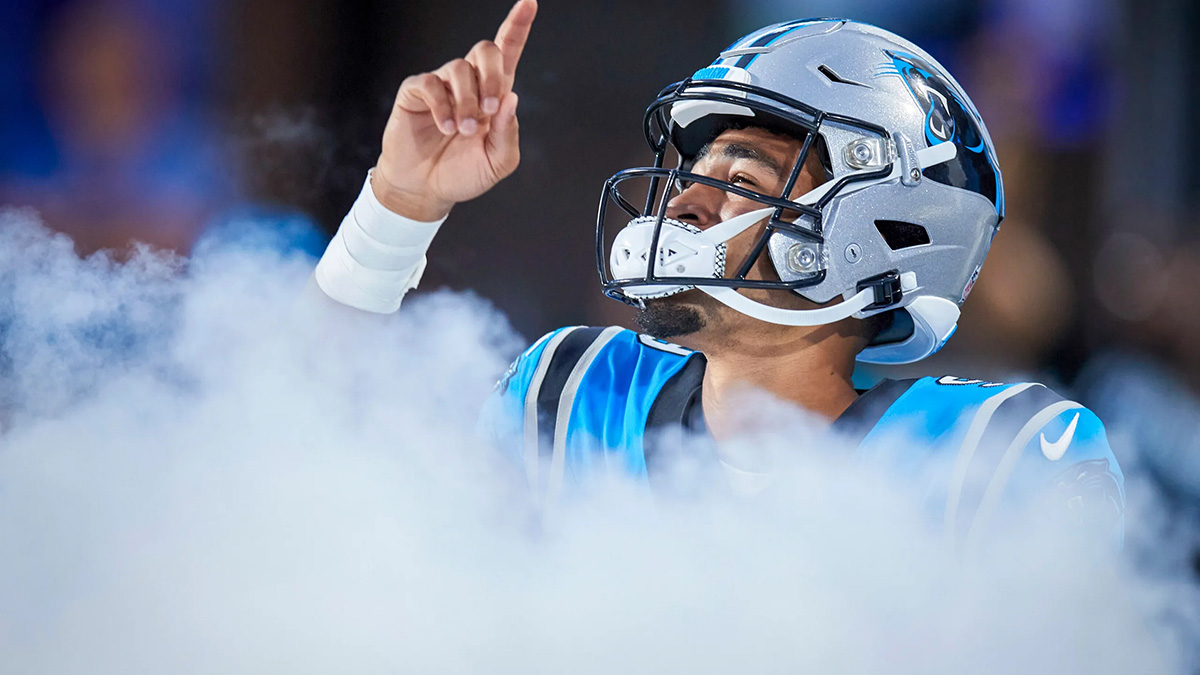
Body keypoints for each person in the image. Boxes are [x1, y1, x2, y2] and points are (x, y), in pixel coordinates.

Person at [311, 0, 1124, 543]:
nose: (683, 199)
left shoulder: (993, 460)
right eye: (689, 170)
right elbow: (312, 448)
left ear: (876, 232)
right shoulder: (572, 391)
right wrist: (399, 204)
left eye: (741, 180)